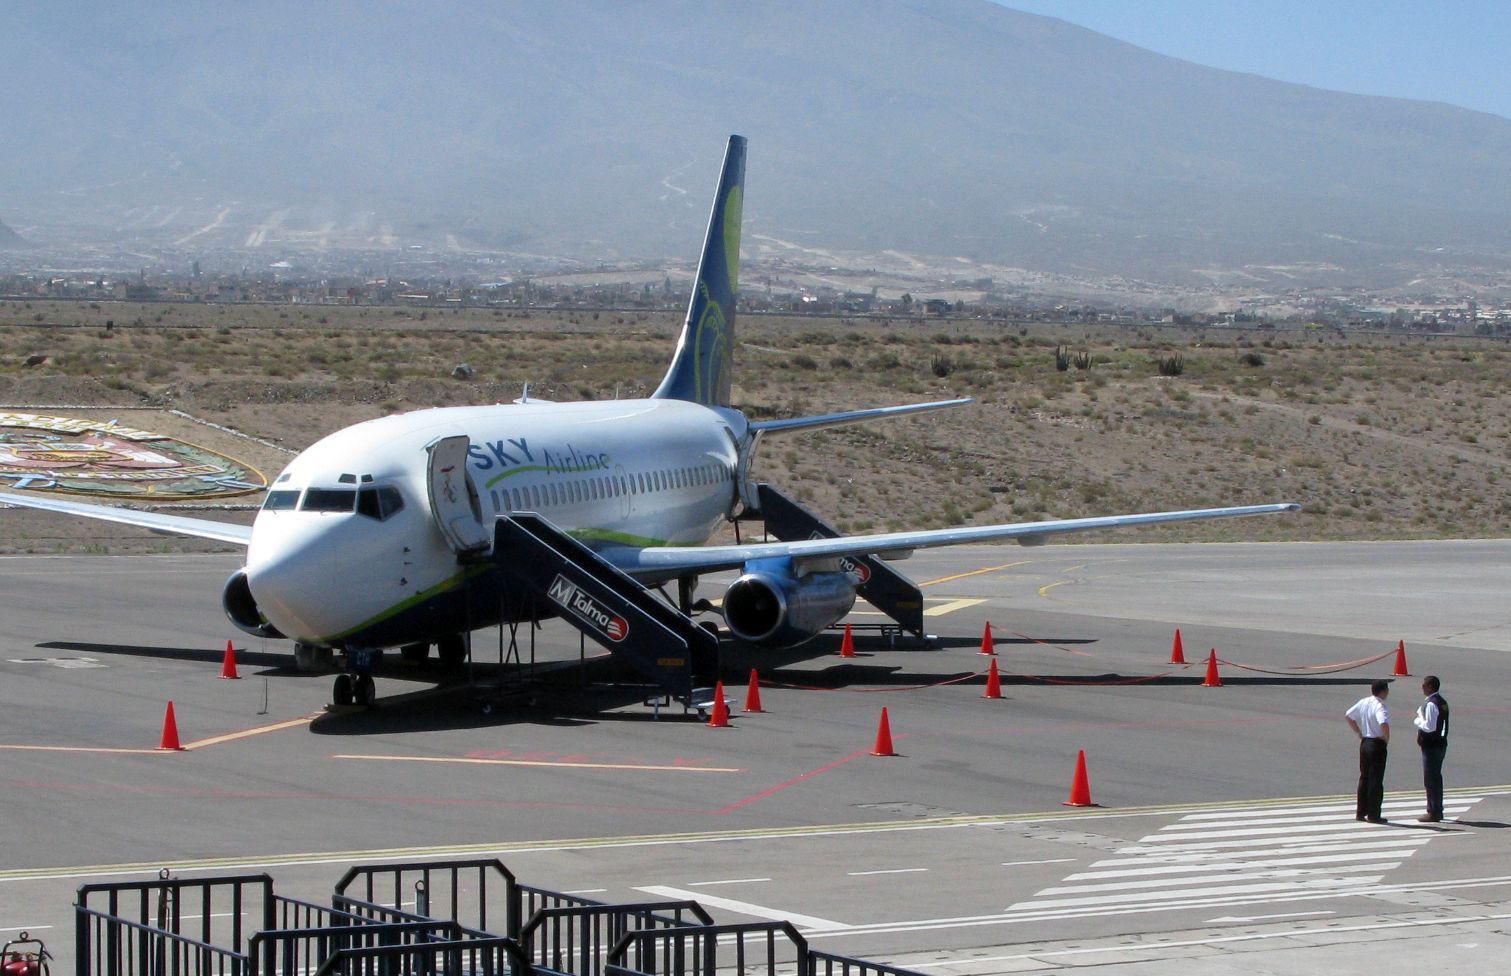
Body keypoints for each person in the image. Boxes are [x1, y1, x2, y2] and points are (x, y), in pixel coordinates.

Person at [1344, 679, 1391, 823]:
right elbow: (1383, 722)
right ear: (1383, 691)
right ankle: (1373, 814)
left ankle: (1360, 812)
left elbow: (1348, 715)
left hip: (1365, 742)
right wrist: (1386, 738)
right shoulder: (1380, 706)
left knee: (1364, 778)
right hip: (1376, 743)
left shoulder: (1364, 702)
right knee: (1376, 780)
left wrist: (1359, 732)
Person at [1413, 675, 1449, 823]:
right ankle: (1437, 808)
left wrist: (1417, 720)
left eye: (1424, 685)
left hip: (1432, 746)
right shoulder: (1442, 702)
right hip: (1440, 744)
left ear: (1430, 687)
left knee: (1431, 779)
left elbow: (1429, 726)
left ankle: (1433, 811)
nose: (1422, 687)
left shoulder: (1432, 704)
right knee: (1436, 777)